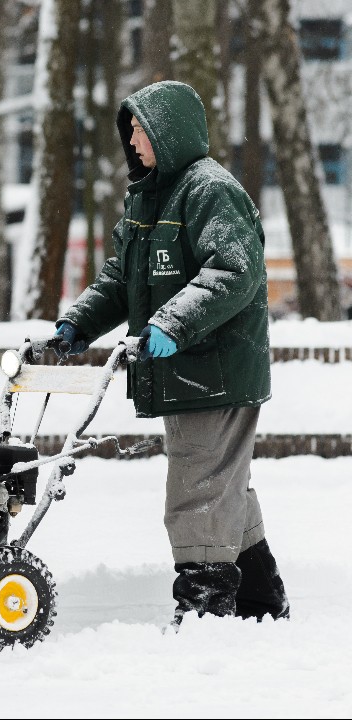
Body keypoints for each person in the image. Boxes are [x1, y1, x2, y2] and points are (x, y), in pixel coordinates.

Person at [54, 81, 289, 626]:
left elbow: (233, 273)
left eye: (140, 128)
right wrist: (75, 326)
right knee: (222, 482)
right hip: (190, 369)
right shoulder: (149, 197)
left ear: (169, 130)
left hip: (216, 368)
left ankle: (205, 610)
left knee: (198, 485)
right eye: (129, 130)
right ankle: (258, 602)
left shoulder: (210, 191)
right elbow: (120, 279)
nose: (132, 140)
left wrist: (171, 324)